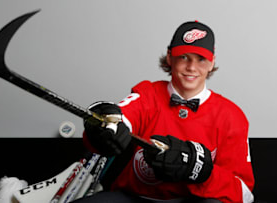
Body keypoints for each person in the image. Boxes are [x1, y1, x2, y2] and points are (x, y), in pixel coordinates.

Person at [74, 20, 254, 203]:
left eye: (201, 59)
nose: (191, 67)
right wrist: (106, 127)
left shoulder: (231, 115)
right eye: (184, 57)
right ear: (170, 57)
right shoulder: (148, 94)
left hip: (193, 201)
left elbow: (245, 195)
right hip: (136, 197)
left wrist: (201, 172)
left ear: (212, 63)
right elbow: (123, 115)